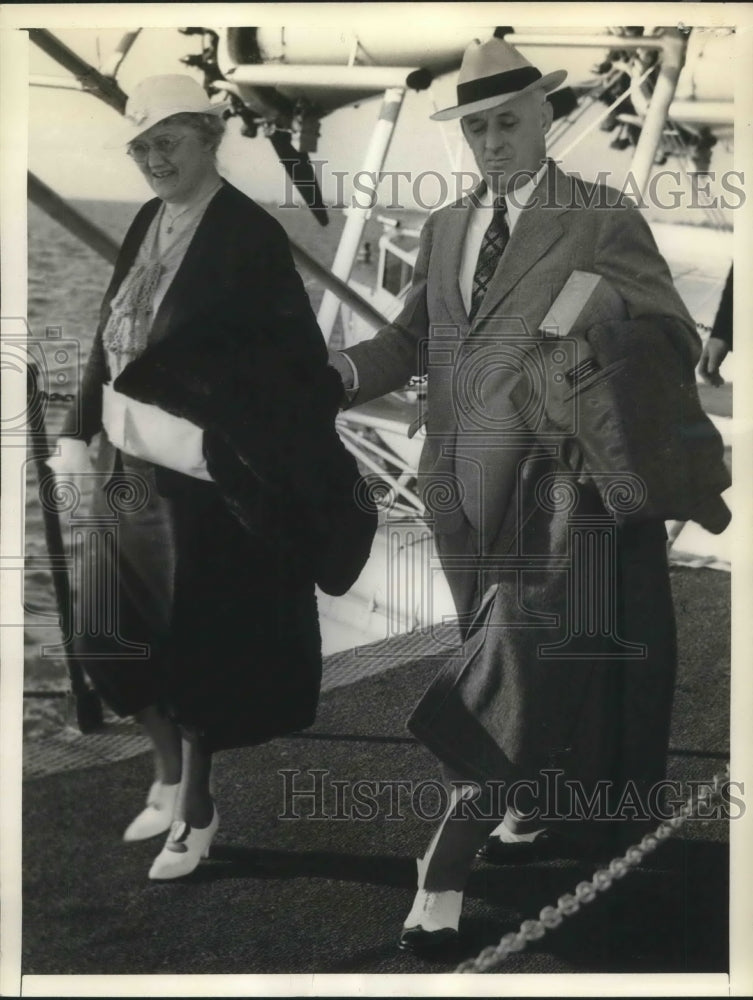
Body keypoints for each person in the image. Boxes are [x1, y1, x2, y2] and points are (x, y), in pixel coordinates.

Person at [328, 36, 726, 956]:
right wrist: (329, 376)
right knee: (499, 652)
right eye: (475, 126)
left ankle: (446, 869)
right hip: (458, 489)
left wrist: (580, 324)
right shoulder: (444, 228)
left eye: (506, 120)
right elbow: (406, 344)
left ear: (545, 117)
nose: (491, 139)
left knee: (512, 665)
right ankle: (529, 803)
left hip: (558, 489)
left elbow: (664, 331)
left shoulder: (598, 216)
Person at [47, 75, 374, 881]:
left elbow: (289, 369)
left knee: (197, 654)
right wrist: (75, 429)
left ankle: (196, 807)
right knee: (107, 640)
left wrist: (215, 414)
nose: (152, 158)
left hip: (202, 480)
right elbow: (109, 331)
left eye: (168, 142)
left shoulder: (247, 235)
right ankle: (161, 774)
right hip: (130, 470)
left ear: (208, 138)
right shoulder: (149, 221)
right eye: (141, 146)